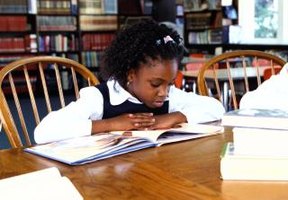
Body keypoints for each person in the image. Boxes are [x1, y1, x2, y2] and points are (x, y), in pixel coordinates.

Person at [34, 20, 225, 144]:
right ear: (131, 74)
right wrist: (110, 124)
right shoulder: (100, 97)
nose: (164, 92)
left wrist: (173, 117)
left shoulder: (170, 96)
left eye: (170, 83)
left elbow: (217, 108)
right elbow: (43, 132)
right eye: (156, 84)